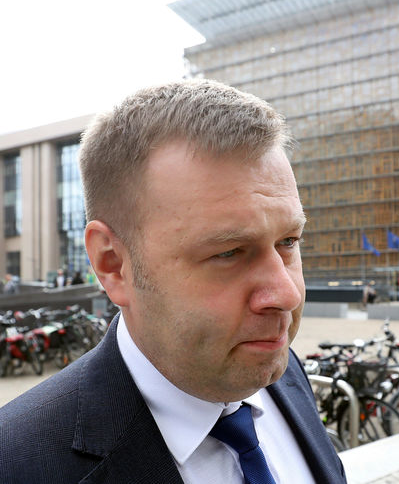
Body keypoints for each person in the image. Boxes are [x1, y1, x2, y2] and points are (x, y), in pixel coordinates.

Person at [0, 80, 347, 484]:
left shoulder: (283, 374)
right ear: (113, 264)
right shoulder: (17, 464)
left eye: (288, 242)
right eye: (229, 252)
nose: (287, 294)